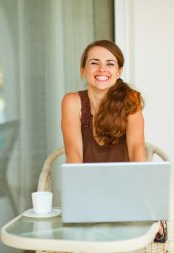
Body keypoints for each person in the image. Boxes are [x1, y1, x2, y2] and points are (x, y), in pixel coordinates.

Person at [61, 39, 166, 243]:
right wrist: (76, 195)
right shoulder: (71, 102)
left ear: (118, 71)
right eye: (94, 62)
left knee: (138, 234)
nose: (102, 69)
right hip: (89, 190)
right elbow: (73, 152)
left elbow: (137, 149)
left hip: (126, 189)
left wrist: (145, 197)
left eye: (110, 63)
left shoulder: (131, 100)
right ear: (83, 70)